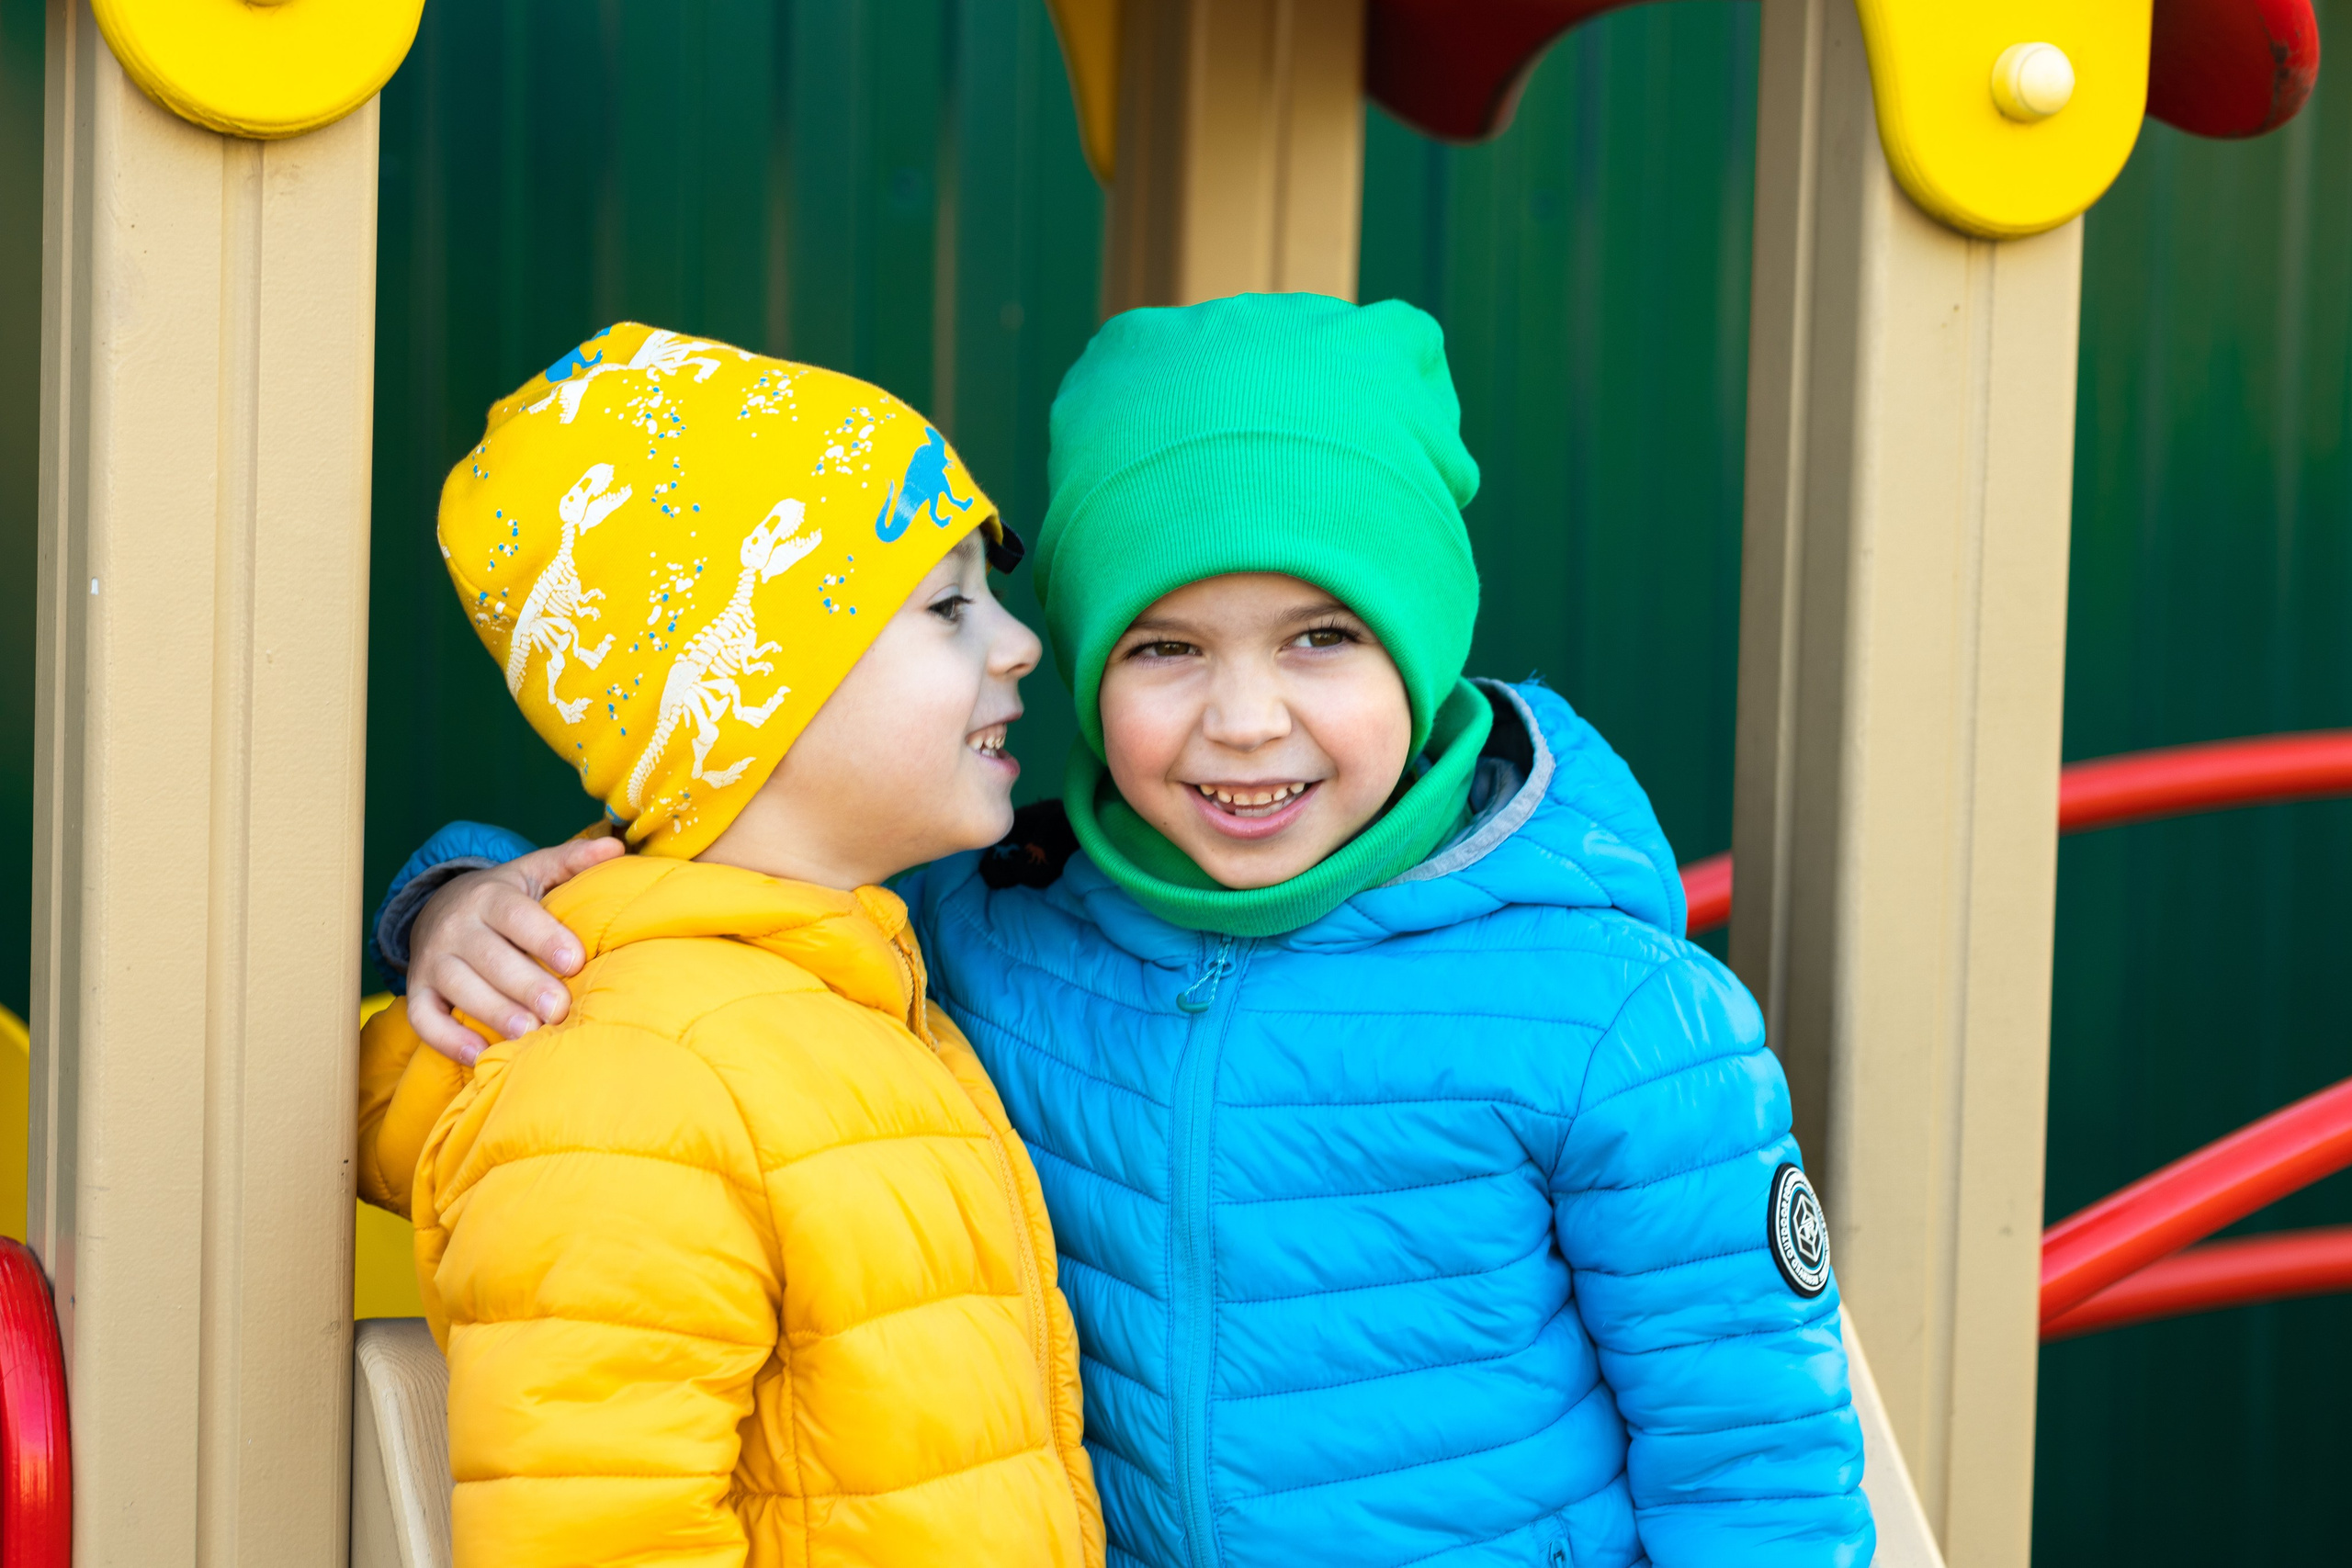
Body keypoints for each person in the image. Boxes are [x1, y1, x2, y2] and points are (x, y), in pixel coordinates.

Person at [378, 296, 1875, 1566]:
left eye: (1322, 638)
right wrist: (458, 899)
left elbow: (1753, 1460)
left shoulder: (1616, 1015)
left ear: (1423, 646)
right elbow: (722, 879)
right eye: (1166, 648)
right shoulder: (985, 923)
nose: (1243, 720)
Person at [355, 322, 1102, 1568]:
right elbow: (594, 1536)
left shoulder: (844, 993)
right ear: (754, 696)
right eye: (951, 607)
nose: (1021, 644)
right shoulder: (636, 1082)